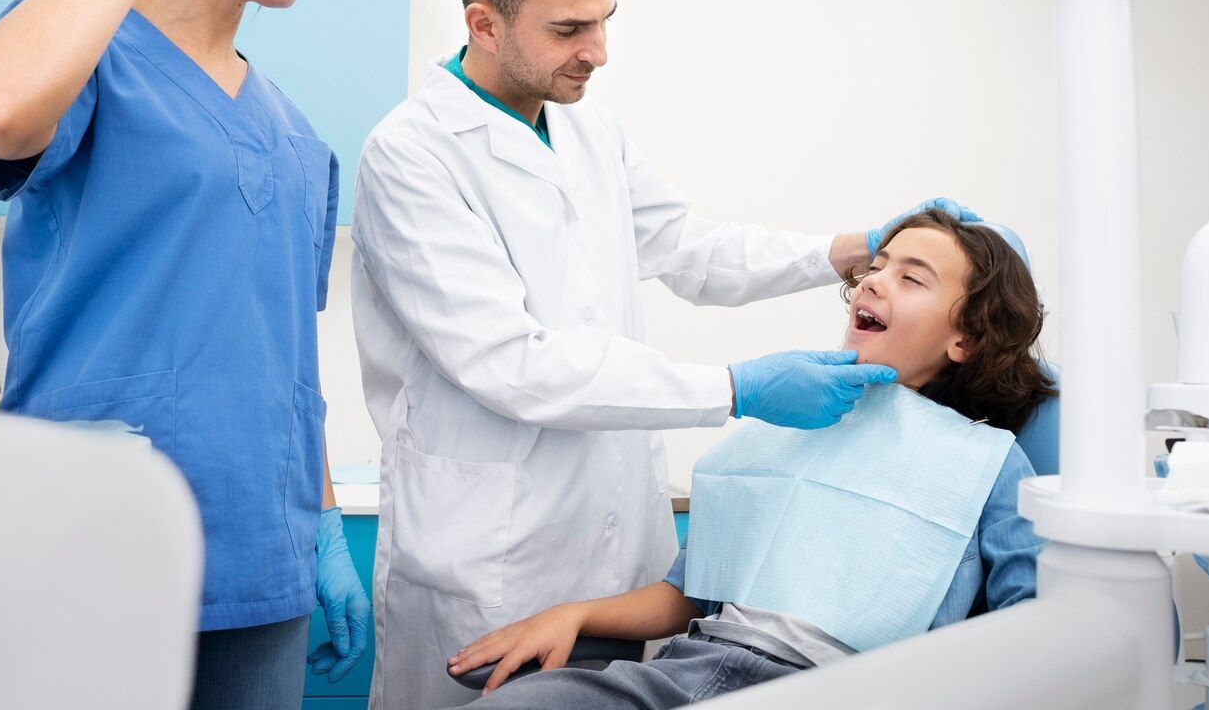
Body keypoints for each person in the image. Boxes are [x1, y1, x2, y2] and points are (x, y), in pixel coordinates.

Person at [349, 0, 977, 708]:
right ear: (483, 23)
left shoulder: (587, 128)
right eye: (569, 29)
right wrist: (736, 389)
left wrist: (856, 248)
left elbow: (690, 248)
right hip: (491, 557)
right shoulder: (412, 154)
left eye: (605, 20)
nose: (598, 51)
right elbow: (513, 366)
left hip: (616, 557)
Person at [0, 0, 368, 707]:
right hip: (94, 535)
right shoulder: (91, 58)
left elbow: (289, 352)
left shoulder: (299, 138)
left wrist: (326, 520)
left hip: (264, 548)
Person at [447, 209, 1054, 707]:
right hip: (683, 672)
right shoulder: (782, 425)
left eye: (911, 278)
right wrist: (573, 615)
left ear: (966, 339)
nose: (872, 281)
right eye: (875, 267)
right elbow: (688, 594)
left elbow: (1034, 626)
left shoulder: (987, 463)